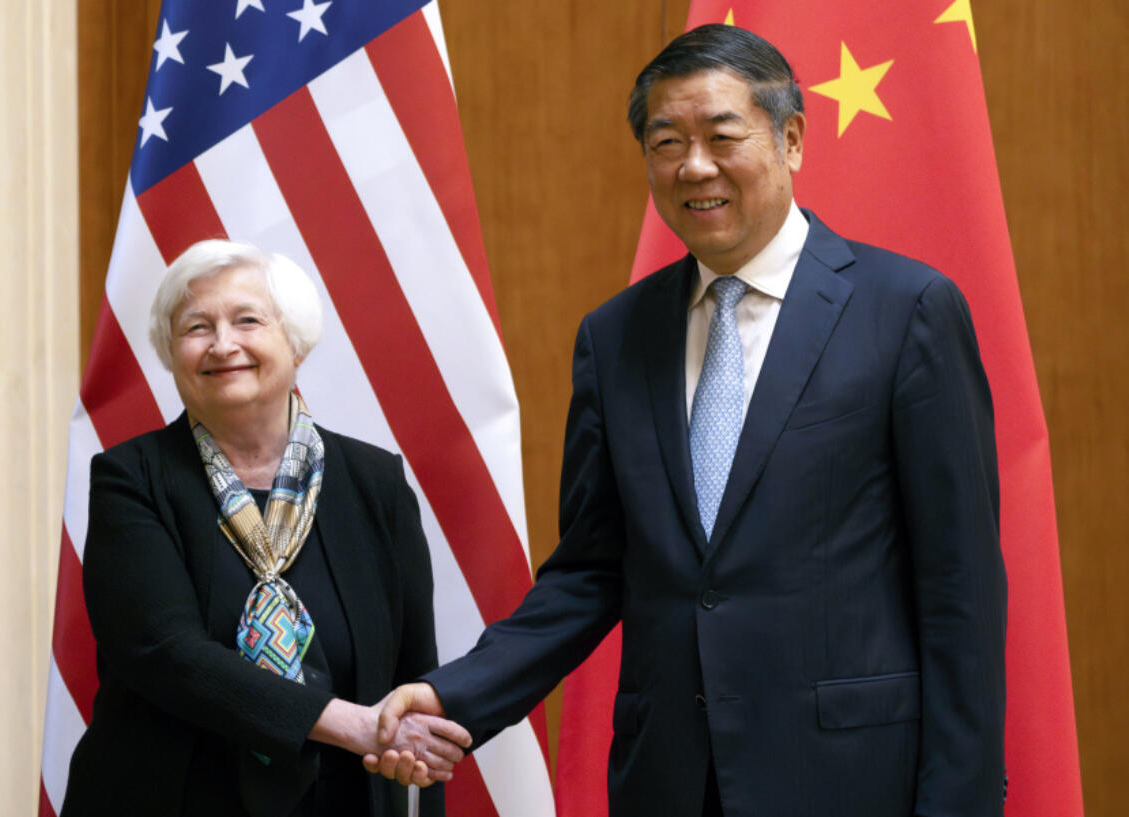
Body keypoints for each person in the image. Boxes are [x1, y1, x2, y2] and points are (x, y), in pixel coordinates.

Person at [369, 24, 1007, 817]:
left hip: (851, 776)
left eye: (721, 135)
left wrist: (961, 801)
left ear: (792, 139)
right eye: (666, 141)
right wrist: (449, 694)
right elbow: (591, 570)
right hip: (669, 779)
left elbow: (960, 586)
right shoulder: (615, 336)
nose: (694, 166)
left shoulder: (905, 310)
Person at [62, 239, 470, 817]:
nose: (223, 344)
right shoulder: (131, 479)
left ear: (295, 342)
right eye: (196, 327)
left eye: (247, 320)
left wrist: (417, 768)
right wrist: (351, 725)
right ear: (173, 353)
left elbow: (413, 680)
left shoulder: (375, 483)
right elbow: (167, 654)